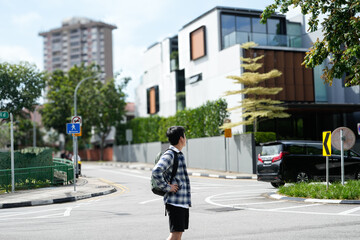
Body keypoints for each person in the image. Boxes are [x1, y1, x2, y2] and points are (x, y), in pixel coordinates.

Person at [152, 126, 191, 240]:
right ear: (181, 138)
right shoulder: (170, 154)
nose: (185, 138)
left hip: (181, 202)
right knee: (175, 235)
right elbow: (156, 171)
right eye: (185, 136)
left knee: (178, 235)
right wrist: (167, 187)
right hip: (175, 202)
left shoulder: (178, 154)